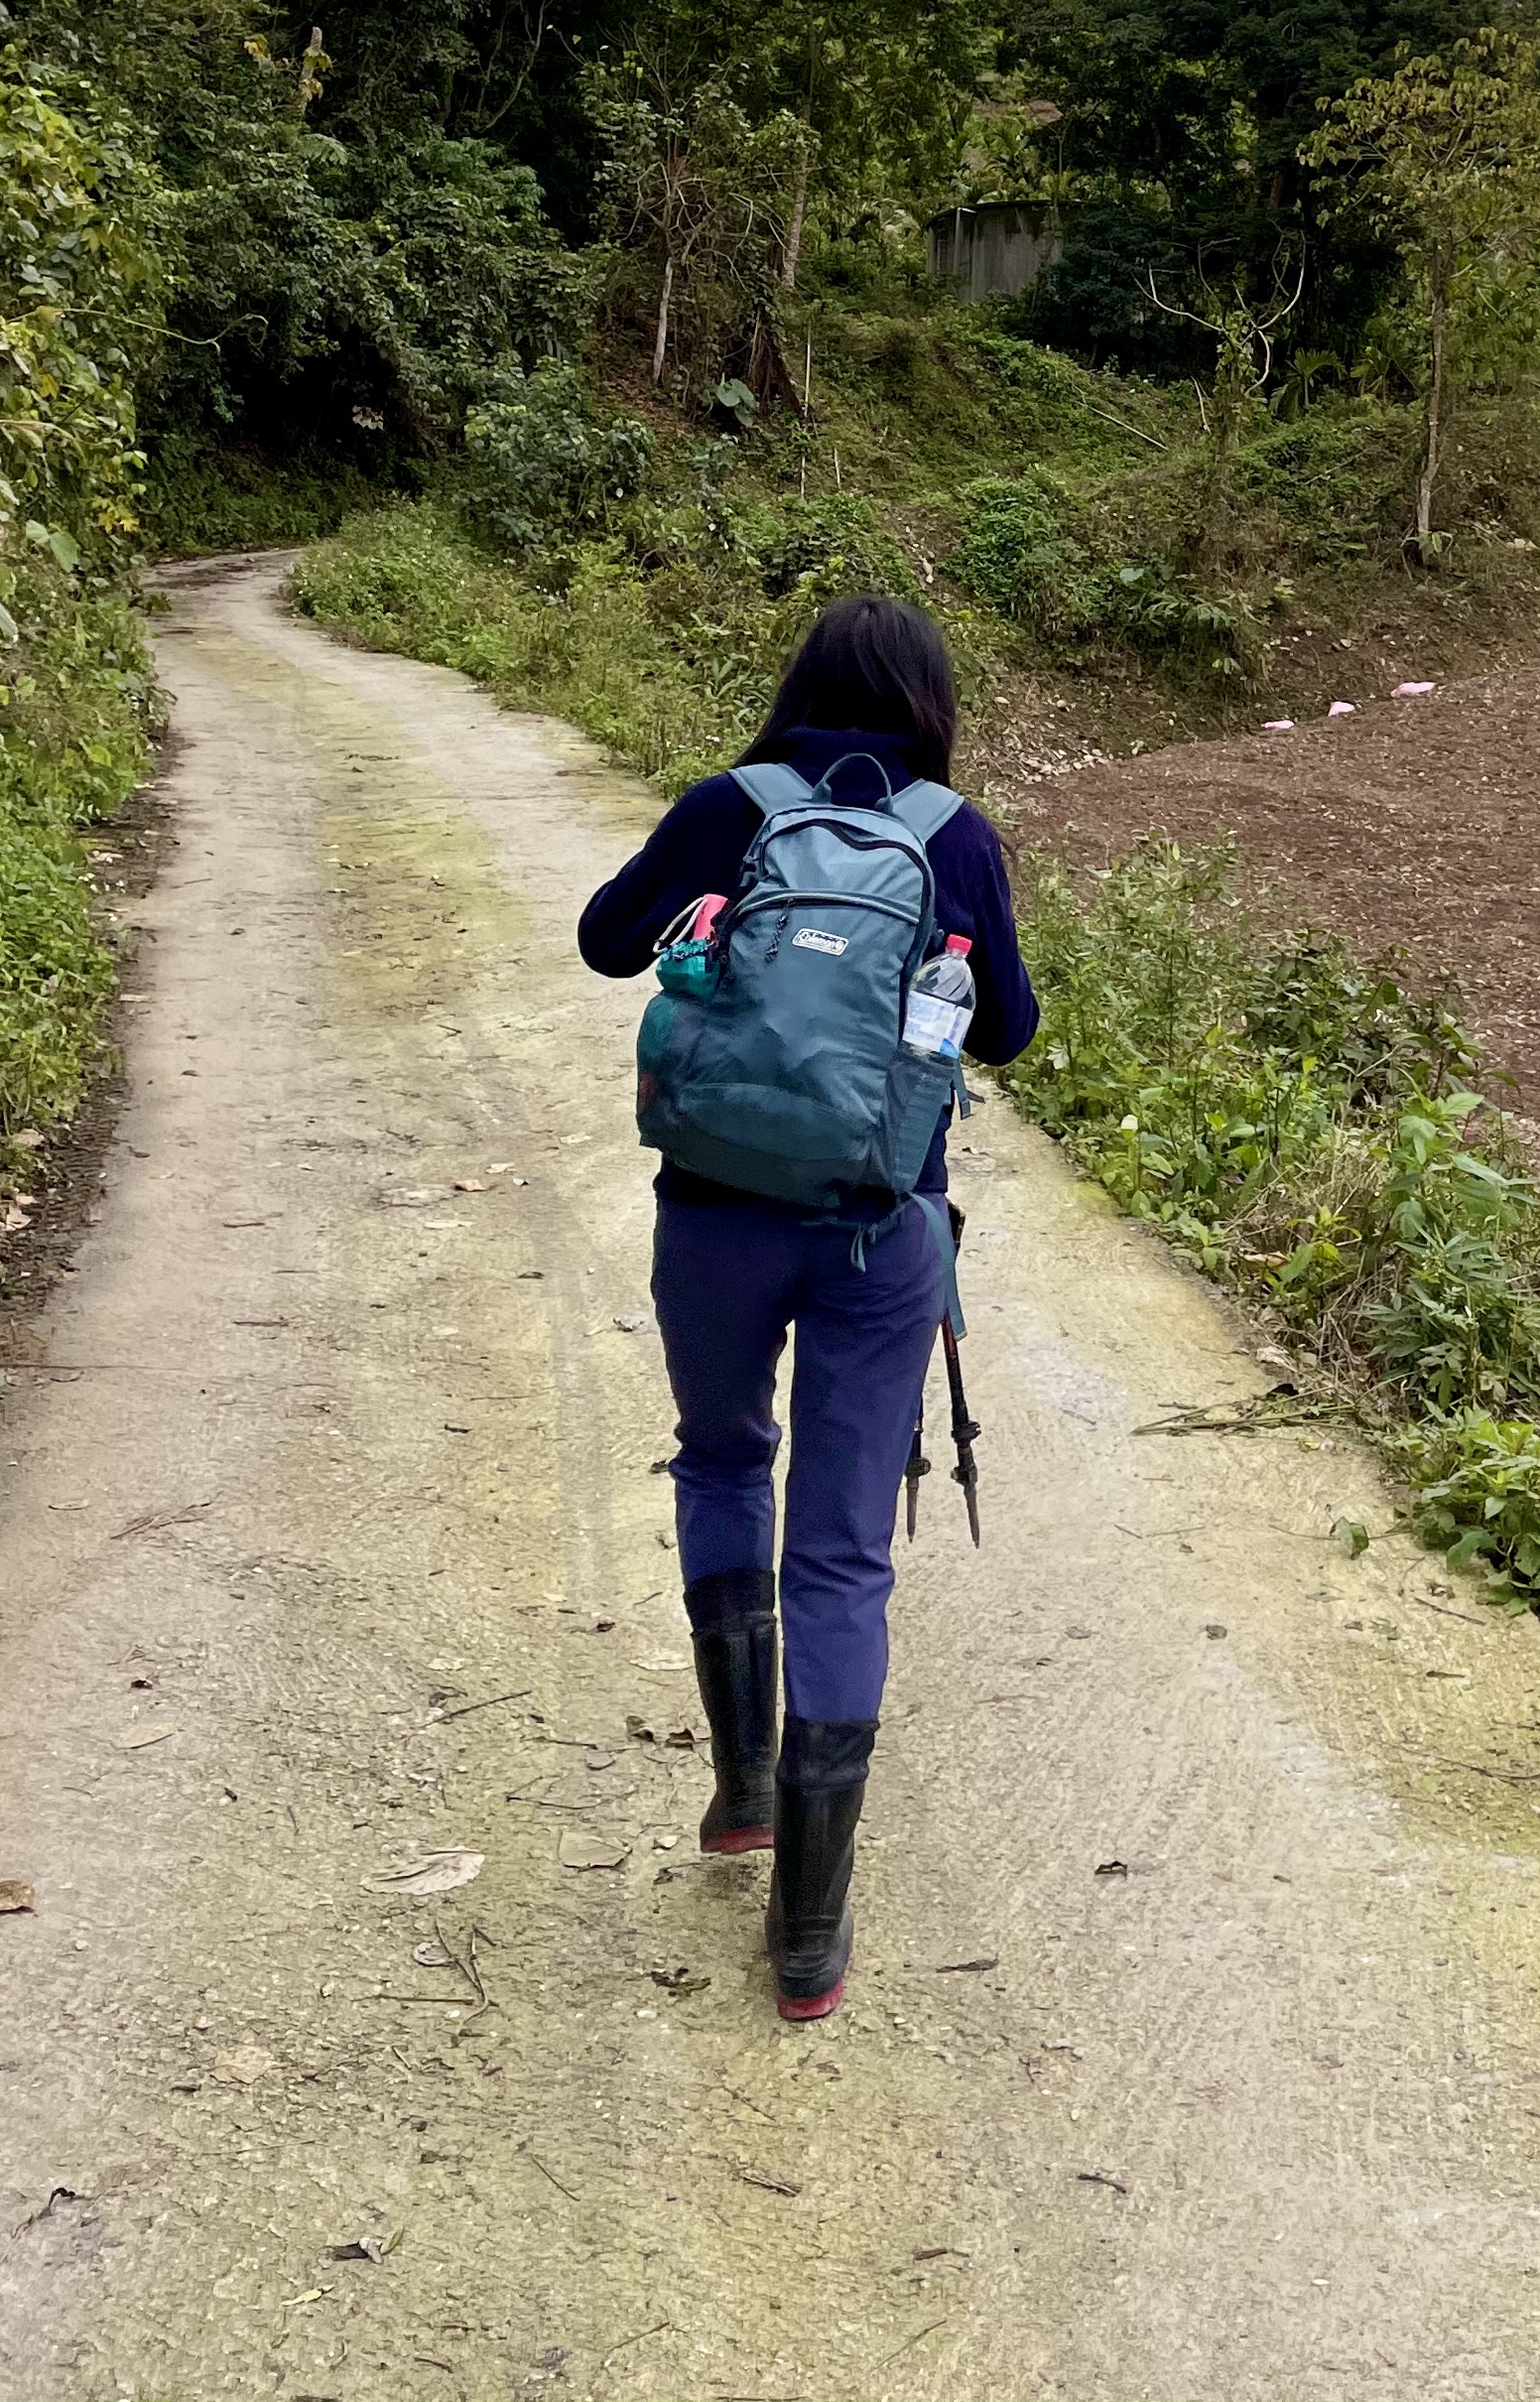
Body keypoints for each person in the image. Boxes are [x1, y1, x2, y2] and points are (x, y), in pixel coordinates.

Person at [577, 594, 1036, 2020]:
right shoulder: (952, 833)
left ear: (800, 688)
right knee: (841, 1559)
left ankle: (743, 1795)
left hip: (713, 1216)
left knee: (722, 1461)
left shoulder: (734, 803)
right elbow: (1010, 1028)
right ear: (927, 703)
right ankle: (808, 1941)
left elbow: (605, 940)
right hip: (875, 1237)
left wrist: (708, 918)